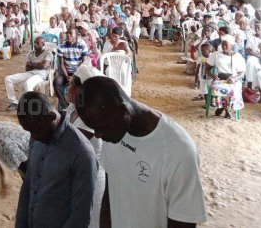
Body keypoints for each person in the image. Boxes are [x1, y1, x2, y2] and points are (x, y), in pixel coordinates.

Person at [76, 77, 207, 228]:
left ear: (123, 111)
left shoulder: (178, 151)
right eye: (94, 128)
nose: (98, 135)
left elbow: (183, 222)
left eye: (101, 127)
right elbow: (110, 194)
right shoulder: (113, 132)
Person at [15, 91, 98, 228]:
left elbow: (80, 216)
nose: (33, 137)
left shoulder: (81, 152)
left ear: (51, 117)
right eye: (29, 131)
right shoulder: (37, 136)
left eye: (35, 130)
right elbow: (28, 185)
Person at [65, 64, 106, 228]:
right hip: (76, 175)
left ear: (79, 90)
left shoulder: (89, 117)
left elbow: (68, 144)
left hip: (91, 180)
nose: (67, 87)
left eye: (70, 84)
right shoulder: (72, 109)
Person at [4, 36, 53, 110]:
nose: (35, 44)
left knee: (28, 83)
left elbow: (43, 66)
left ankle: (30, 106)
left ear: (43, 44)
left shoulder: (48, 53)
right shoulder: (31, 53)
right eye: (34, 43)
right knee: (8, 79)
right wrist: (38, 65)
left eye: (37, 43)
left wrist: (32, 64)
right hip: (30, 73)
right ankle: (14, 102)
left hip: (40, 75)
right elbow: (27, 68)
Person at [205, 35, 246, 119]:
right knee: (217, 88)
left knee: (233, 90)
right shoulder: (216, 54)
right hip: (220, 79)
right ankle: (226, 109)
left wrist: (234, 78)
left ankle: (222, 108)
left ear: (232, 45)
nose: (223, 46)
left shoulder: (238, 56)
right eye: (222, 44)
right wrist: (213, 77)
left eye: (226, 44)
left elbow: (241, 73)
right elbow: (207, 69)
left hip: (234, 80)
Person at [56, 29, 89, 110]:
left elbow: (83, 65)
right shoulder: (61, 47)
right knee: (57, 82)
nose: (68, 35)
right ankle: (64, 105)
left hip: (79, 73)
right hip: (66, 73)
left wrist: (74, 77)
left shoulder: (82, 46)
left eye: (70, 33)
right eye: (67, 33)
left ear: (76, 36)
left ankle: (80, 107)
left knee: (84, 84)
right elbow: (62, 65)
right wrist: (67, 77)